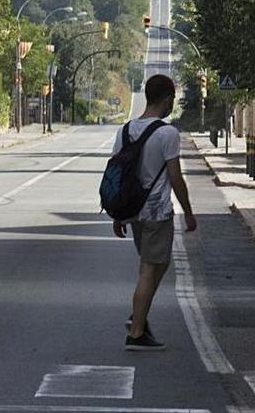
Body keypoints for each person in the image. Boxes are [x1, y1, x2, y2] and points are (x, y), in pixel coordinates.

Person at [111, 74, 197, 351]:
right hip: (157, 212)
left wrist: (118, 214)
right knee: (151, 268)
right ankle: (136, 331)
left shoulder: (125, 131)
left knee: (155, 264)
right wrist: (189, 213)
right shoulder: (167, 133)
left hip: (134, 211)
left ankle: (139, 313)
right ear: (168, 99)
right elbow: (175, 176)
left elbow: (117, 174)